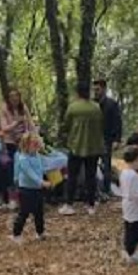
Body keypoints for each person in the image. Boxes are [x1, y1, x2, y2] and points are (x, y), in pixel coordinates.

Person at [59, 85, 104, 216]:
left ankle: (69, 204)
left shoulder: (73, 107)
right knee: (91, 176)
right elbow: (101, 124)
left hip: (76, 146)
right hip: (94, 147)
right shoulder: (96, 107)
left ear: (77, 93)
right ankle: (90, 205)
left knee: (72, 176)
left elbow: (66, 126)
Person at [11, 133, 50, 243]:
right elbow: (30, 173)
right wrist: (41, 182)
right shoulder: (23, 158)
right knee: (24, 212)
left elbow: (41, 168)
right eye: (34, 144)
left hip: (37, 189)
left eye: (37, 144)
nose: (37, 146)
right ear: (26, 145)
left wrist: (49, 173)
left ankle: (40, 232)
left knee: (39, 212)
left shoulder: (37, 156)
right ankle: (16, 234)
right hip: (26, 190)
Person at [93, 79, 122, 197]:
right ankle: (95, 190)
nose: (96, 92)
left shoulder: (112, 104)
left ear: (104, 89)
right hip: (93, 140)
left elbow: (118, 122)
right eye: (94, 90)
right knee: (92, 165)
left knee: (106, 166)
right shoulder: (92, 104)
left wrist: (117, 139)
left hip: (107, 139)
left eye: (98, 89)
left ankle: (106, 189)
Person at [0, 87, 34, 179]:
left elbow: (31, 123)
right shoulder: (4, 108)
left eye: (16, 96)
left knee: (26, 165)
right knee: (13, 166)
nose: (15, 98)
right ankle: (13, 188)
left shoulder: (23, 106)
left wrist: (35, 136)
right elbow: (4, 128)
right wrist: (16, 122)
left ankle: (25, 186)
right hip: (10, 142)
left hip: (24, 141)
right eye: (12, 96)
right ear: (8, 98)